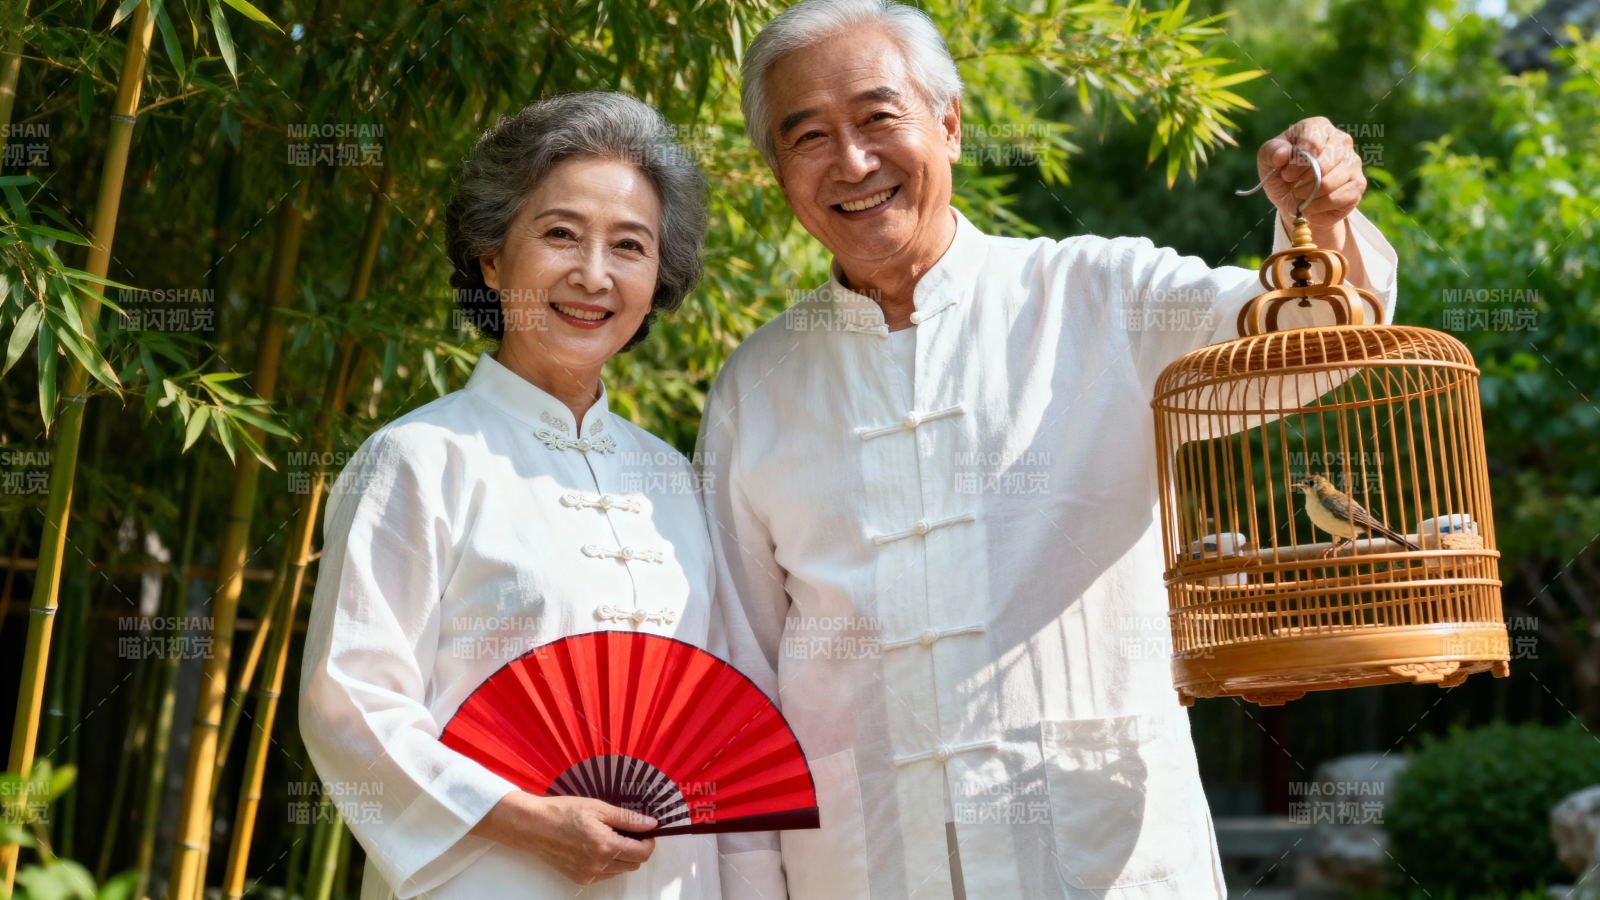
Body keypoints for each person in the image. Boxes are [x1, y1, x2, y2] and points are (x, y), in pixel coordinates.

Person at [701, 1, 1400, 898]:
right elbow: (742, 678)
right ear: (777, 172)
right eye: (809, 137)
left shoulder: (1099, 294)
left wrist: (1321, 221)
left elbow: (1304, 346)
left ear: (950, 126)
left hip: (1101, 861)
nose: (854, 162)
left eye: (879, 117)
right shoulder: (755, 388)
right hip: (865, 869)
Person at [299, 91, 721, 899]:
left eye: (629, 246)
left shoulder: (672, 476)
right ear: (491, 258)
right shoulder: (418, 460)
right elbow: (350, 704)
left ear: (657, 277)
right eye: (560, 234)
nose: (593, 274)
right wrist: (527, 819)